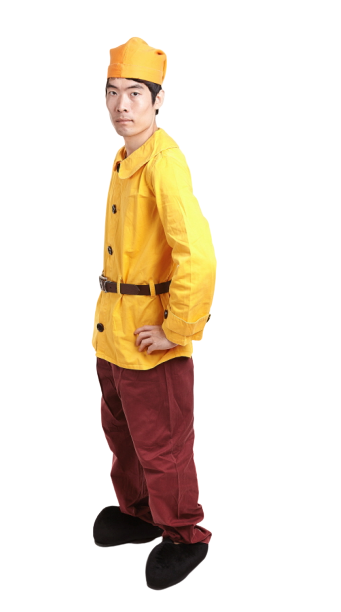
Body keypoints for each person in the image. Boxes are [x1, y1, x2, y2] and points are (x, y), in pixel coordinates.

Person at [91, 36, 217, 591]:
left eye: (136, 94)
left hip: (152, 338)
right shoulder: (124, 158)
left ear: (158, 99)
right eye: (113, 92)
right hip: (114, 333)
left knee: (162, 444)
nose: (122, 106)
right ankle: (141, 512)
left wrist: (176, 330)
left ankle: (185, 534)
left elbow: (199, 256)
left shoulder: (165, 164)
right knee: (123, 435)